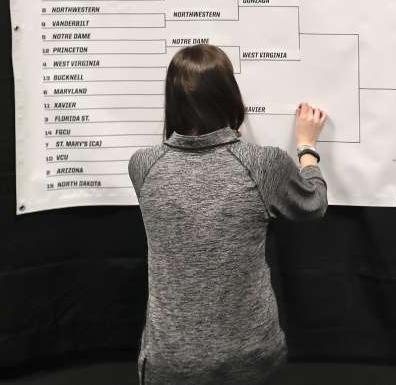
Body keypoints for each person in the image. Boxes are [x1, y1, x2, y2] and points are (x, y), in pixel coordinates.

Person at [128, 44, 328, 385]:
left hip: (169, 358)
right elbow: (314, 204)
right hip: (249, 355)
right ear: (228, 95)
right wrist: (307, 147)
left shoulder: (143, 165)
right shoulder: (262, 164)